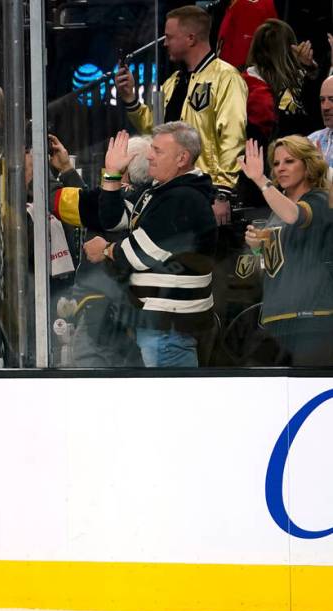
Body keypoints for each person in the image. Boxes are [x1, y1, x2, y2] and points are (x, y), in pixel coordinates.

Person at [84, 122, 217, 368]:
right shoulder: (160, 192)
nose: (148, 155)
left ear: (182, 158)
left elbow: (139, 254)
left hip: (170, 327)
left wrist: (104, 250)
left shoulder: (183, 198)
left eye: (157, 150)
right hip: (161, 326)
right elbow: (113, 219)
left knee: (172, 403)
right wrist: (112, 174)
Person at [115, 5, 246, 225]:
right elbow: (154, 130)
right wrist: (130, 99)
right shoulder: (173, 82)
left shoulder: (226, 78)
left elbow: (232, 138)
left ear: (191, 38)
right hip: (169, 189)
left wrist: (222, 193)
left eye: (169, 37)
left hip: (205, 192)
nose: (164, 43)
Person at [51, 133, 151, 367]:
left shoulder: (115, 201)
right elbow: (94, 206)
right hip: (134, 310)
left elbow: (57, 200)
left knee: (92, 380)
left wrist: (33, 168)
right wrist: (66, 170)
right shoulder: (149, 199)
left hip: (101, 312)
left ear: (123, 169)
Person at [239, 136, 333, 365]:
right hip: (275, 320)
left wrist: (260, 179)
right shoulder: (274, 211)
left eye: (289, 161)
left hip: (312, 320)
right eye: (276, 163)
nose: (280, 168)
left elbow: (294, 215)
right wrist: (255, 250)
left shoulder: (320, 200)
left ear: (308, 165)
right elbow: (259, 270)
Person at [242, 19, 319, 145]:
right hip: (268, 154)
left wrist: (309, 69)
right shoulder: (252, 87)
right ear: (289, 50)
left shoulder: (302, 78)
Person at [308, 75, 333, 168]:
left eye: (332, 100)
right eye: (322, 100)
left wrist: (324, 171)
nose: (325, 107)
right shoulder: (311, 141)